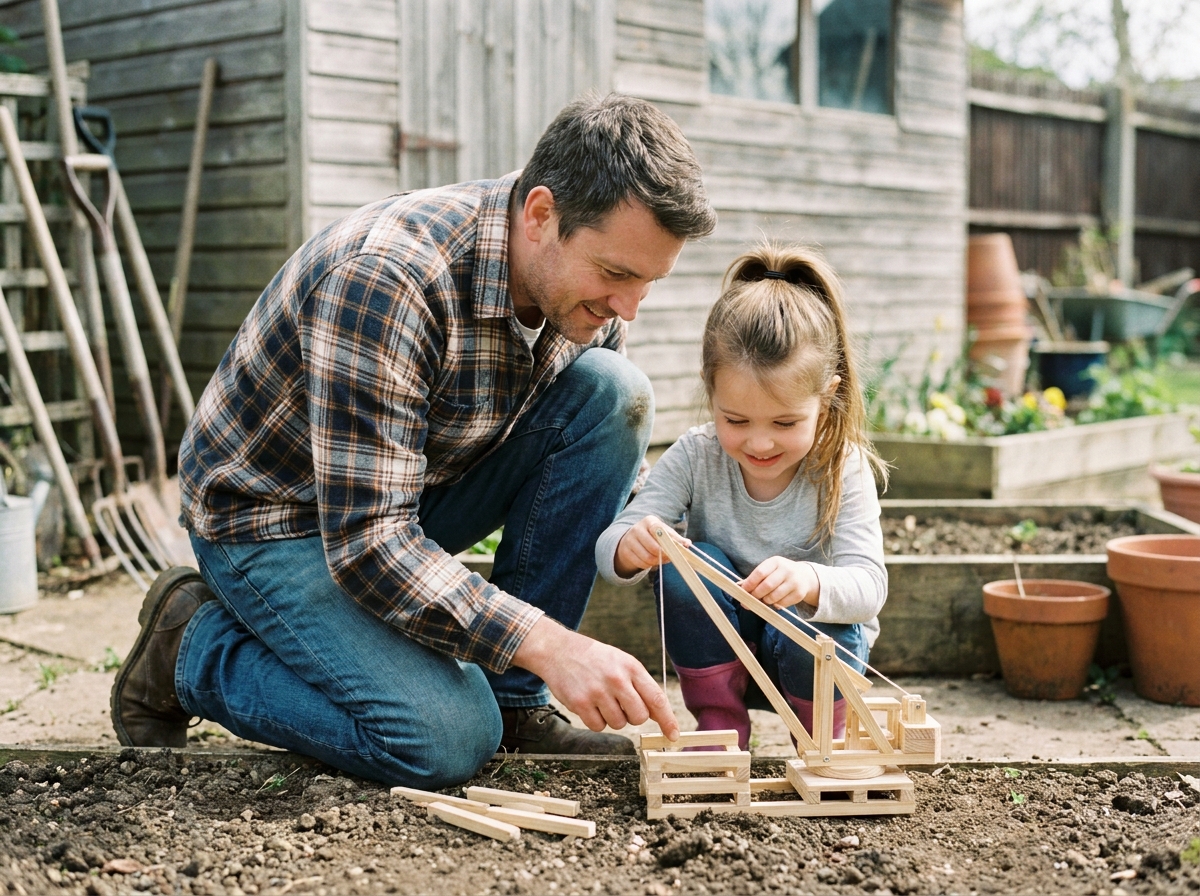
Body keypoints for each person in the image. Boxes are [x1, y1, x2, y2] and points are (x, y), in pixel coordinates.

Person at [110, 93, 716, 786]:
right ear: (542, 215)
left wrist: (651, 527)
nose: (628, 307)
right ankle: (190, 646)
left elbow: (573, 462)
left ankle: (516, 706)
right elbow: (370, 544)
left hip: (407, 493)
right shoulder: (389, 277)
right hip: (274, 523)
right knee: (446, 738)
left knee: (615, 392)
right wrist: (547, 643)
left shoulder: (582, 293)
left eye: (649, 283)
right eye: (616, 274)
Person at [594, 244, 889, 750]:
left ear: (828, 396)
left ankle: (821, 739)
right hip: (724, 653)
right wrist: (631, 547)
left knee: (818, 618)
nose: (759, 442)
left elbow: (869, 588)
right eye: (736, 420)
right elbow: (611, 547)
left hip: (814, 662)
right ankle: (720, 728)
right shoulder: (696, 455)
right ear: (712, 393)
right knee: (683, 565)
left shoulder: (843, 466)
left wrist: (809, 580)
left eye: (785, 422)